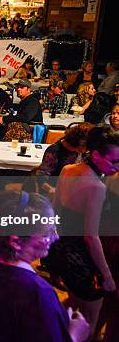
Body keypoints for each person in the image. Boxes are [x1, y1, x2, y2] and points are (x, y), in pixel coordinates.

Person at [0, 191, 90, 342]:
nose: (56, 237)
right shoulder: (36, 293)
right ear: (15, 242)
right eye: (47, 233)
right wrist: (73, 336)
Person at [46, 126, 118, 340]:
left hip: (63, 252)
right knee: (89, 326)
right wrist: (107, 276)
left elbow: (54, 213)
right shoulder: (97, 186)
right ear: (96, 154)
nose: (117, 167)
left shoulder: (68, 169)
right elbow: (90, 237)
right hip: (83, 260)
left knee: (73, 311)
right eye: (113, 161)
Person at [36, 123, 93, 195]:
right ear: (81, 144)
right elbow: (41, 177)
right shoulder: (54, 151)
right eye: (87, 147)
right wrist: (52, 190)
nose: (89, 149)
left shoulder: (81, 152)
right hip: (56, 191)